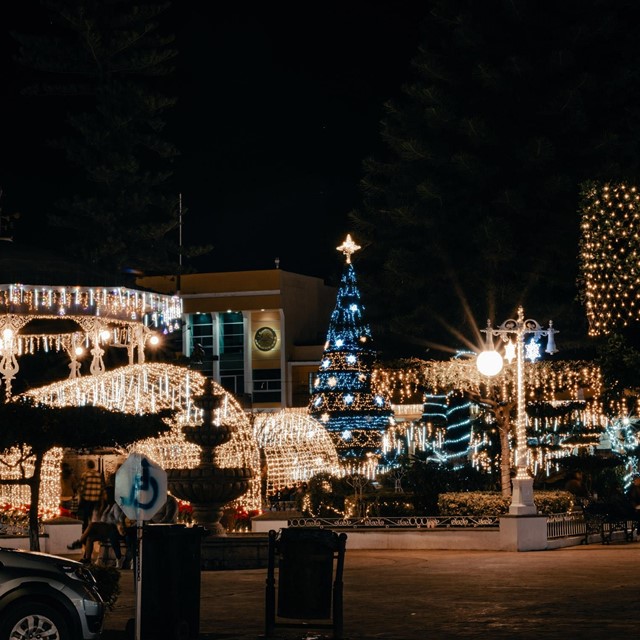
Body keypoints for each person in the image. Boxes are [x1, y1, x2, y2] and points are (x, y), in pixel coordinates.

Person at [67, 486, 125, 567]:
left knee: (92, 525)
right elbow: (102, 519)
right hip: (104, 529)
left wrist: (109, 519)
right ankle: (87, 559)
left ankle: (79, 542)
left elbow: (118, 520)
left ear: (111, 495)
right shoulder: (107, 506)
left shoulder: (115, 506)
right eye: (104, 494)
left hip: (111, 529)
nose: (104, 496)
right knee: (90, 538)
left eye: (106, 494)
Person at [76, 459, 105, 532]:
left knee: (85, 515)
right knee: (93, 516)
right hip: (96, 499)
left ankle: (86, 530)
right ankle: (93, 529)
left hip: (87, 499)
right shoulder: (99, 475)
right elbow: (102, 487)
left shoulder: (85, 474)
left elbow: (82, 488)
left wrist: (81, 496)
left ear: (87, 466)